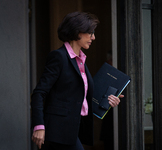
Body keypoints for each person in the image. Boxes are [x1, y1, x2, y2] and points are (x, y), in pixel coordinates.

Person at [31, 11, 123, 150]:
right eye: (90, 32)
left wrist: (108, 101)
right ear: (77, 32)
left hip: (74, 130)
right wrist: (39, 125)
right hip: (58, 131)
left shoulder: (81, 61)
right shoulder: (58, 57)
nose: (94, 37)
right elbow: (39, 93)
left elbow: (82, 98)